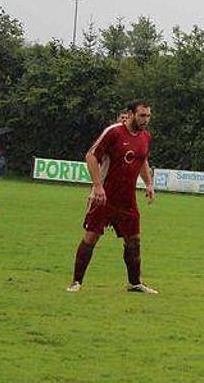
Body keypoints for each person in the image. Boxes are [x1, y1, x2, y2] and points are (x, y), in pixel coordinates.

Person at [67, 100, 158, 294]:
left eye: (148, 116)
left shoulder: (145, 137)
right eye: (142, 115)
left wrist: (149, 183)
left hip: (127, 199)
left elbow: (142, 160)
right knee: (91, 237)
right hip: (104, 197)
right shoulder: (114, 132)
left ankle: (134, 283)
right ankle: (76, 282)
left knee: (134, 240)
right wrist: (98, 186)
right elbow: (91, 156)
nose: (146, 120)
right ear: (131, 114)